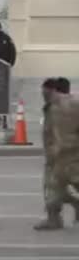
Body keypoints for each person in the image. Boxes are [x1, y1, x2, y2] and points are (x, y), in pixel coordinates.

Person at [35, 77, 79, 230]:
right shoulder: (54, 106)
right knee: (54, 188)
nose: (42, 94)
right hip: (60, 156)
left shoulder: (61, 106)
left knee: (54, 187)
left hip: (65, 156)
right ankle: (54, 217)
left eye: (44, 91)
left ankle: (55, 218)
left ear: (52, 90)